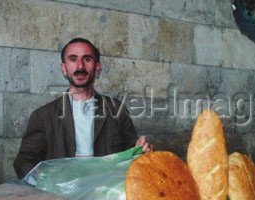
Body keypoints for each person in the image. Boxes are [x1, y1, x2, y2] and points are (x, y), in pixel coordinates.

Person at [14, 38, 153, 178]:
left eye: (87, 59)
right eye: (73, 59)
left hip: (105, 192)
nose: (80, 66)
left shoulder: (116, 110)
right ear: (64, 68)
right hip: (60, 195)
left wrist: (142, 151)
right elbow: (23, 161)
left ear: (97, 67)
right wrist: (45, 181)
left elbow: (133, 153)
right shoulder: (43, 116)